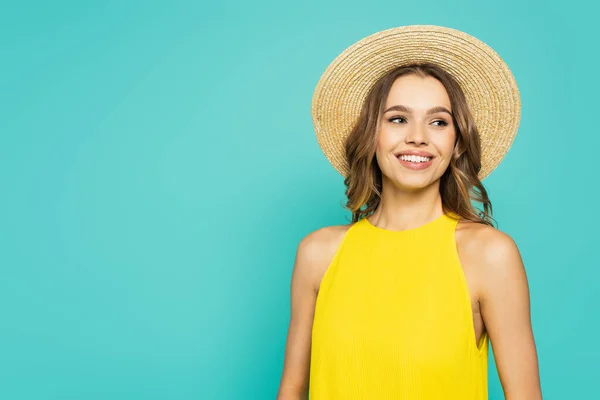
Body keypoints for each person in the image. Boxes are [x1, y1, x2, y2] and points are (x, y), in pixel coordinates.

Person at [277, 25, 542, 399]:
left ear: (455, 143)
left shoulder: (489, 254)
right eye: (398, 118)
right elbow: (291, 389)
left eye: (438, 121)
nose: (418, 136)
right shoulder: (318, 254)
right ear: (372, 135)